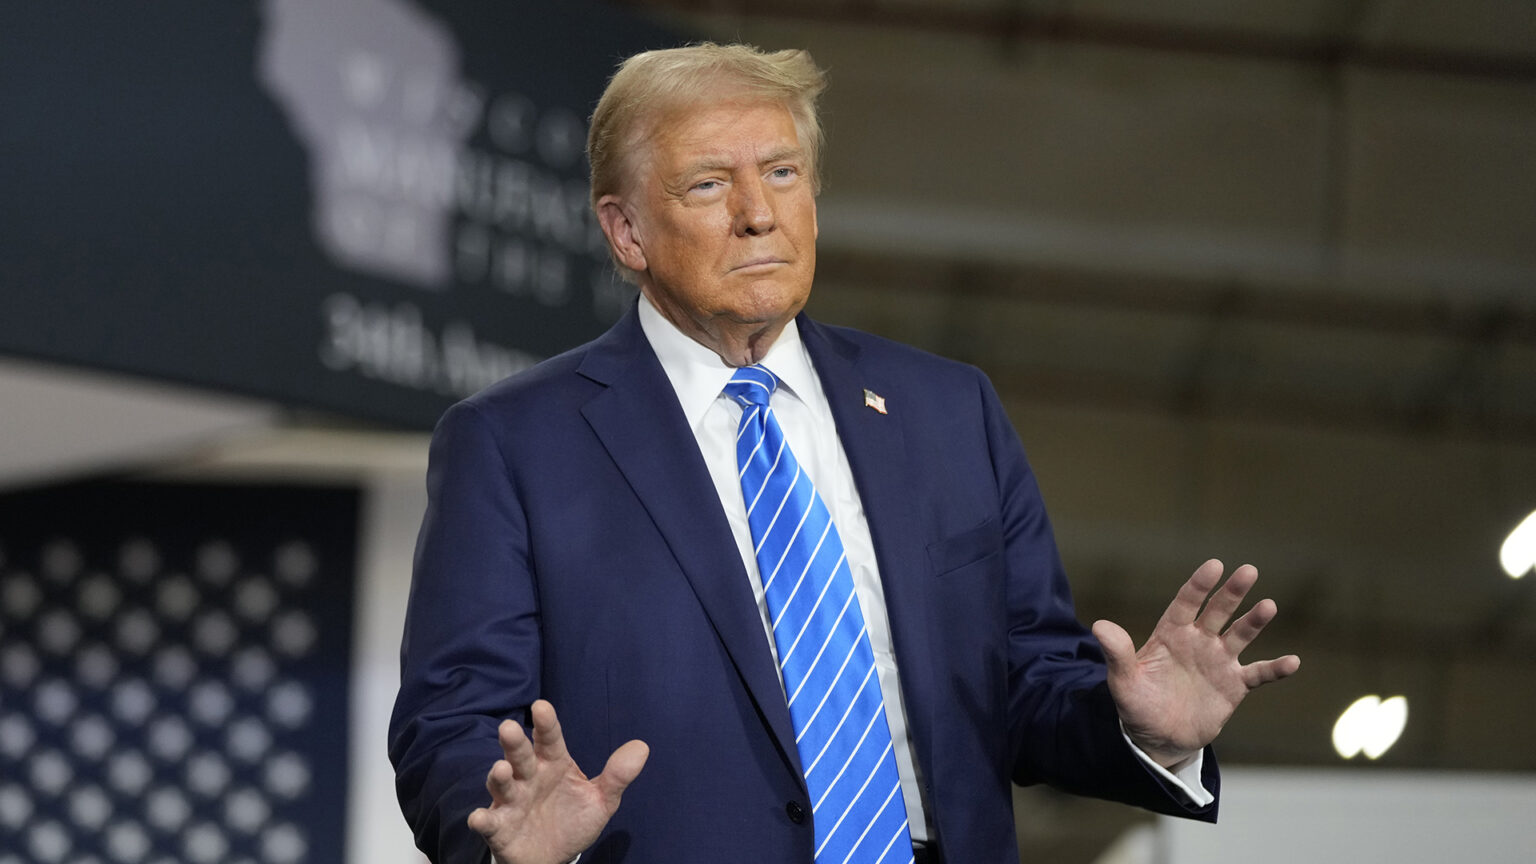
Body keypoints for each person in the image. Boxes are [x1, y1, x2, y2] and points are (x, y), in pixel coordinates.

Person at [388, 43, 1299, 864]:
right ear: (626, 232)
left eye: (782, 172)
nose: (757, 214)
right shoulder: (514, 443)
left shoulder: (949, 410)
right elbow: (454, 721)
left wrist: (1144, 731)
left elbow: (1024, 687)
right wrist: (505, 838)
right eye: (707, 184)